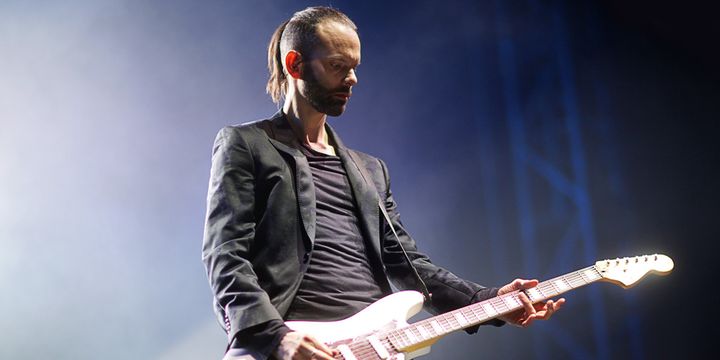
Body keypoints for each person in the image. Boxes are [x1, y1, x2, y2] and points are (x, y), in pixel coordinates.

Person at [202, 6, 564, 360]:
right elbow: (225, 256)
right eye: (337, 66)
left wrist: (490, 301)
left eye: (355, 68)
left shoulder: (369, 170)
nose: (352, 79)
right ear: (295, 64)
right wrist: (274, 337)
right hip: (289, 343)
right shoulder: (247, 145)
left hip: (374, 344)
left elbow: (409, 266)